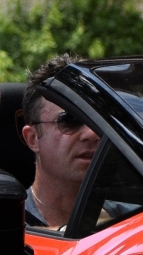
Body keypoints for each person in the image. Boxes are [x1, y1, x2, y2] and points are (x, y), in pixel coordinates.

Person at [19, 58, 101, 229]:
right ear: (33, 139)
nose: (91, 134)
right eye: (70, 120)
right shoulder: (3, 229)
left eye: (99, 122)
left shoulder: (133, 221)